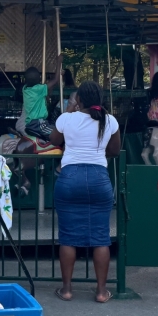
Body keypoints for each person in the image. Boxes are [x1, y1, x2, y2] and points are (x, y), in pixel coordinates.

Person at [49, 81, 121, 303]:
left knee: (68, 237)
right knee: (101, 237)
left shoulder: (67, 118)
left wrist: (69, 112)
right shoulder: (109, 120)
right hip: (99, 178)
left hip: (70, 178)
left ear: (78, 99)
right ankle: (101, 292)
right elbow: (115, 150)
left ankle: (67, 290)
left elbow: (53, 140)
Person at [22, 55, 63, 140]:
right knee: (59, 134)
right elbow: (55, 81)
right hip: (38, 123)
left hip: (31, 123)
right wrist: (59, 62)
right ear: (39, 79)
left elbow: (48, 85)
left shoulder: (25, 89)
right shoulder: (38, 89)